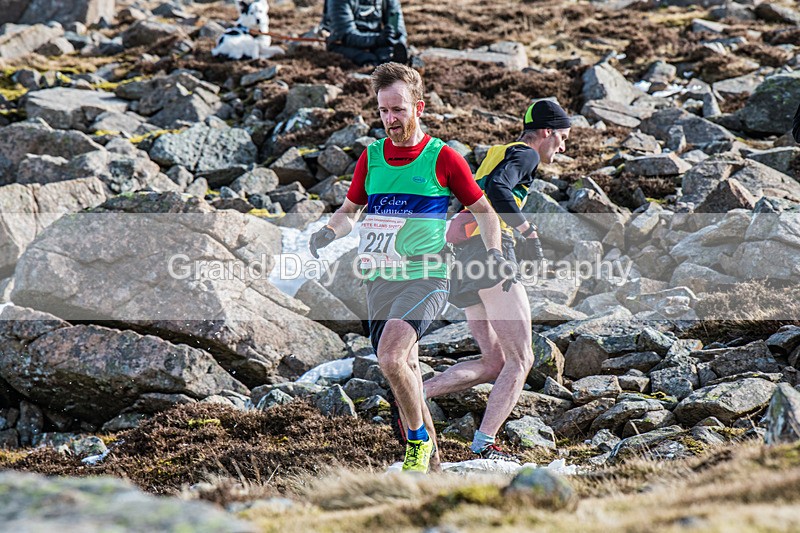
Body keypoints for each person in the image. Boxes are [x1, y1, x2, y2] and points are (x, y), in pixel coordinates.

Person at [308, 62, 507, 473]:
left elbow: (485, 212)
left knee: (391, 357)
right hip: (379, 280)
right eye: (383, 111)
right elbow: (350, 211)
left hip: (428, 276)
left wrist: (494, 253)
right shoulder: (372, 158)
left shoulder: (443, 158)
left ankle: (414, 441)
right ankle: (433, 468)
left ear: (419, 107)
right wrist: (328, 231)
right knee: (408, 371)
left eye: (398, 110)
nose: (390, 119)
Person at [422, 100, 571, 462]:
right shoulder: (526, 155)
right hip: (492, 253)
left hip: (463, 261)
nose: (563, 148)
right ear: (547, 132)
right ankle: (485, 443)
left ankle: (414, 392)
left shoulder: (499, 151)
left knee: (493, 362)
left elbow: (478, 192)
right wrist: (528, 232)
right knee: (521, 359)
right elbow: (501, 191)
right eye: (563, 138)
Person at [322, 0, 408, 66]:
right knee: (368, 59)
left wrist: (395, 40)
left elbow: (400, 30)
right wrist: (378, 39)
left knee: (388, 56)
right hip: (345, 44)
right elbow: (346, 35)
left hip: (377, 42)